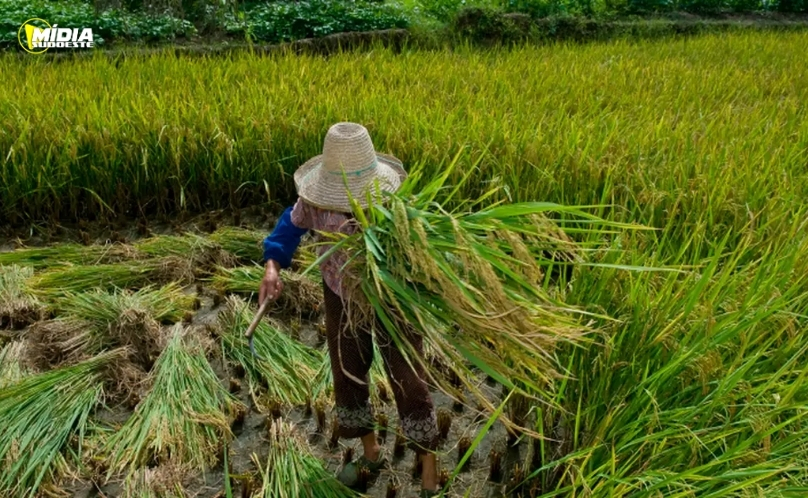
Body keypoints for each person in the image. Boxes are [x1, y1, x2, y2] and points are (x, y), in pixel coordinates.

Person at [260, 122, 440, 497]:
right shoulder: (314, 203)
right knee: (348, 369)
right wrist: (272, 267)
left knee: (408, 375)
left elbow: (421, 249)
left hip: (391, 297)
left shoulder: (391, 203)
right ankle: (370, 452)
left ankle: (428, 467)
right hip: (340, 295)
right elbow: (288, 228)